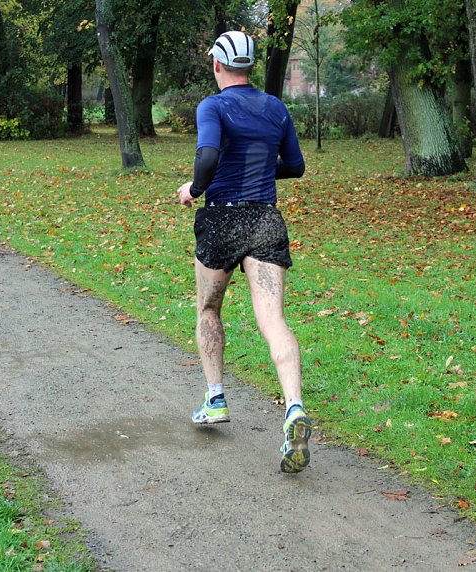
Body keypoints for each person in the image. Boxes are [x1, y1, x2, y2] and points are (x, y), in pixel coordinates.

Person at [176, 31, 312, 474]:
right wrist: (256, 167)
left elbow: (209, 155)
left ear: (217, 65)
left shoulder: (212, 106)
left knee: (208, 309)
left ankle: (215, 398)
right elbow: (294, 166)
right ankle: (294, 408)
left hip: (221, 220)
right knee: (274, 320)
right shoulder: (275, 107)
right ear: (251, 66)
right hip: (265, 220)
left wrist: (194, 189)